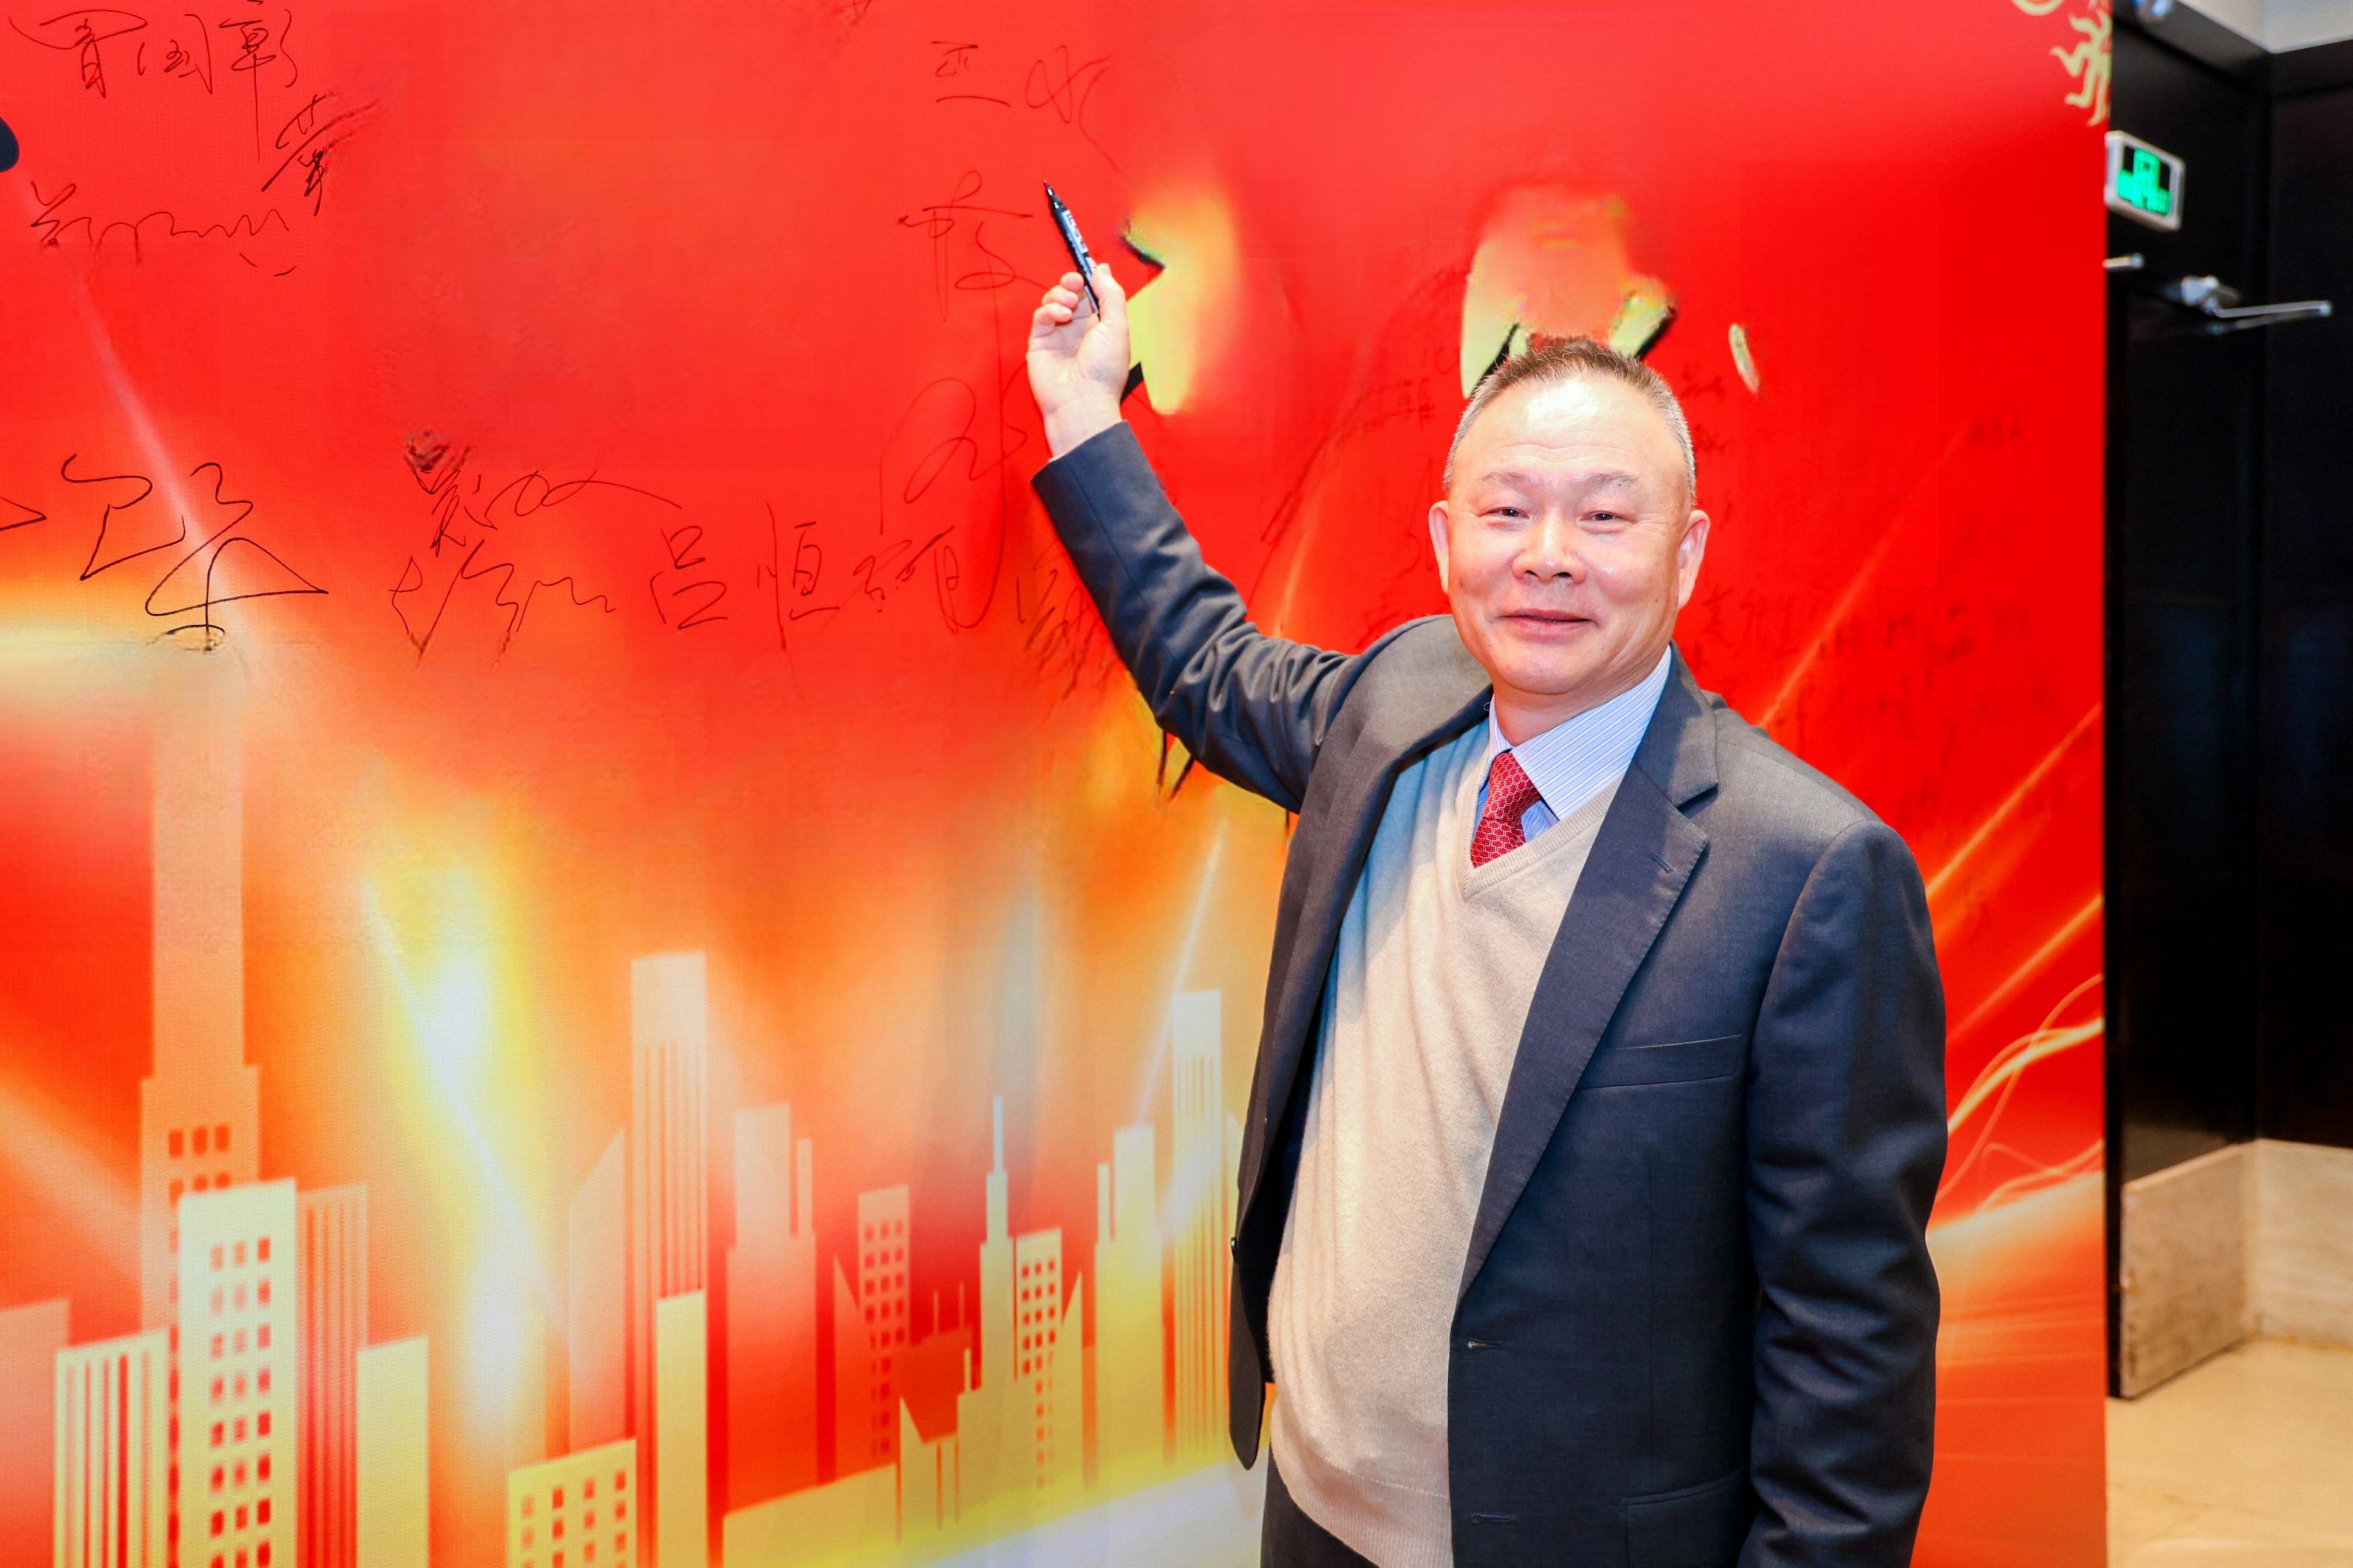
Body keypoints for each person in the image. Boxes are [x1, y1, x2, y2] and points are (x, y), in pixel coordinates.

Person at [1025, 262, 1946, 1568]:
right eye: (1506, 509)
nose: (1548, 555)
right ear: (1446, 540)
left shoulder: (1806, 874)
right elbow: (1207, 666)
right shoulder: (1396, 706)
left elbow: (1850, 1356)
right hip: (1315, 1511)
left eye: (1605, 515)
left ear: (1686, 551)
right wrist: (1082, 412)